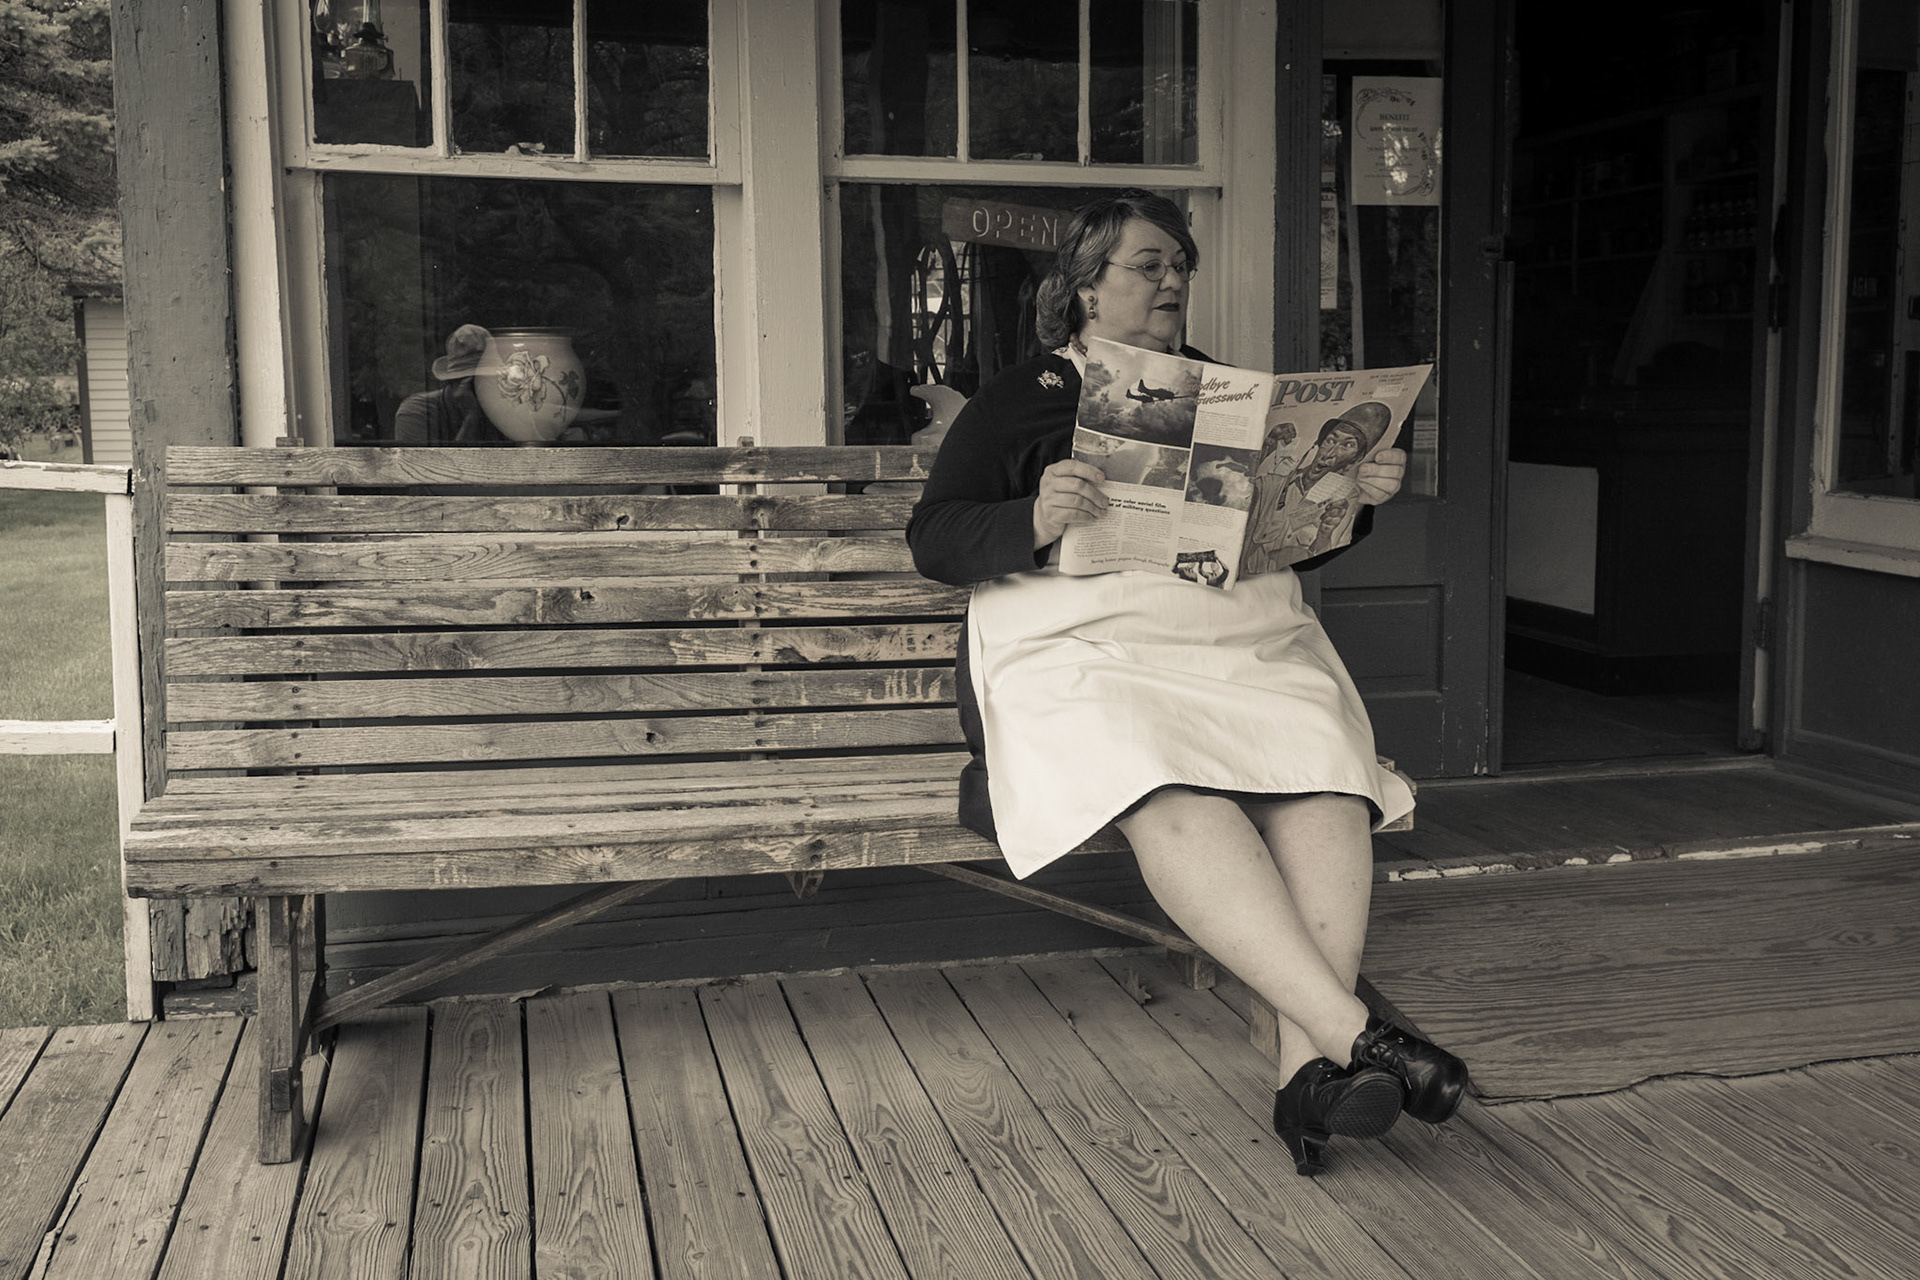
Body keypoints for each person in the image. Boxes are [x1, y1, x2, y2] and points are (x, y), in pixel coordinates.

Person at [906, 189, 1468, 1177]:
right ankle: (1359, 1033)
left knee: (1327, 768)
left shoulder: (1229, 395)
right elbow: (936, 537)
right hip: (1080, 647)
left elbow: (1278, 535)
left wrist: (1354, 499)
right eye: (1149, 264)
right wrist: (1033, 514)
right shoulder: (1026, 395)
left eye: (1181, 266)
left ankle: (1313, 1069)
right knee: (1158, 775)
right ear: (1086, 287)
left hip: (1228, 638)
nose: (1173, 281)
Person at [392, 323, 510, 445]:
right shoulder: (417, 412)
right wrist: (471, 418)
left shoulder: (501, 412)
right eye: (476, 380)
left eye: (490, 379)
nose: (486, 387)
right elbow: (427, 464)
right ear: (453, 380)